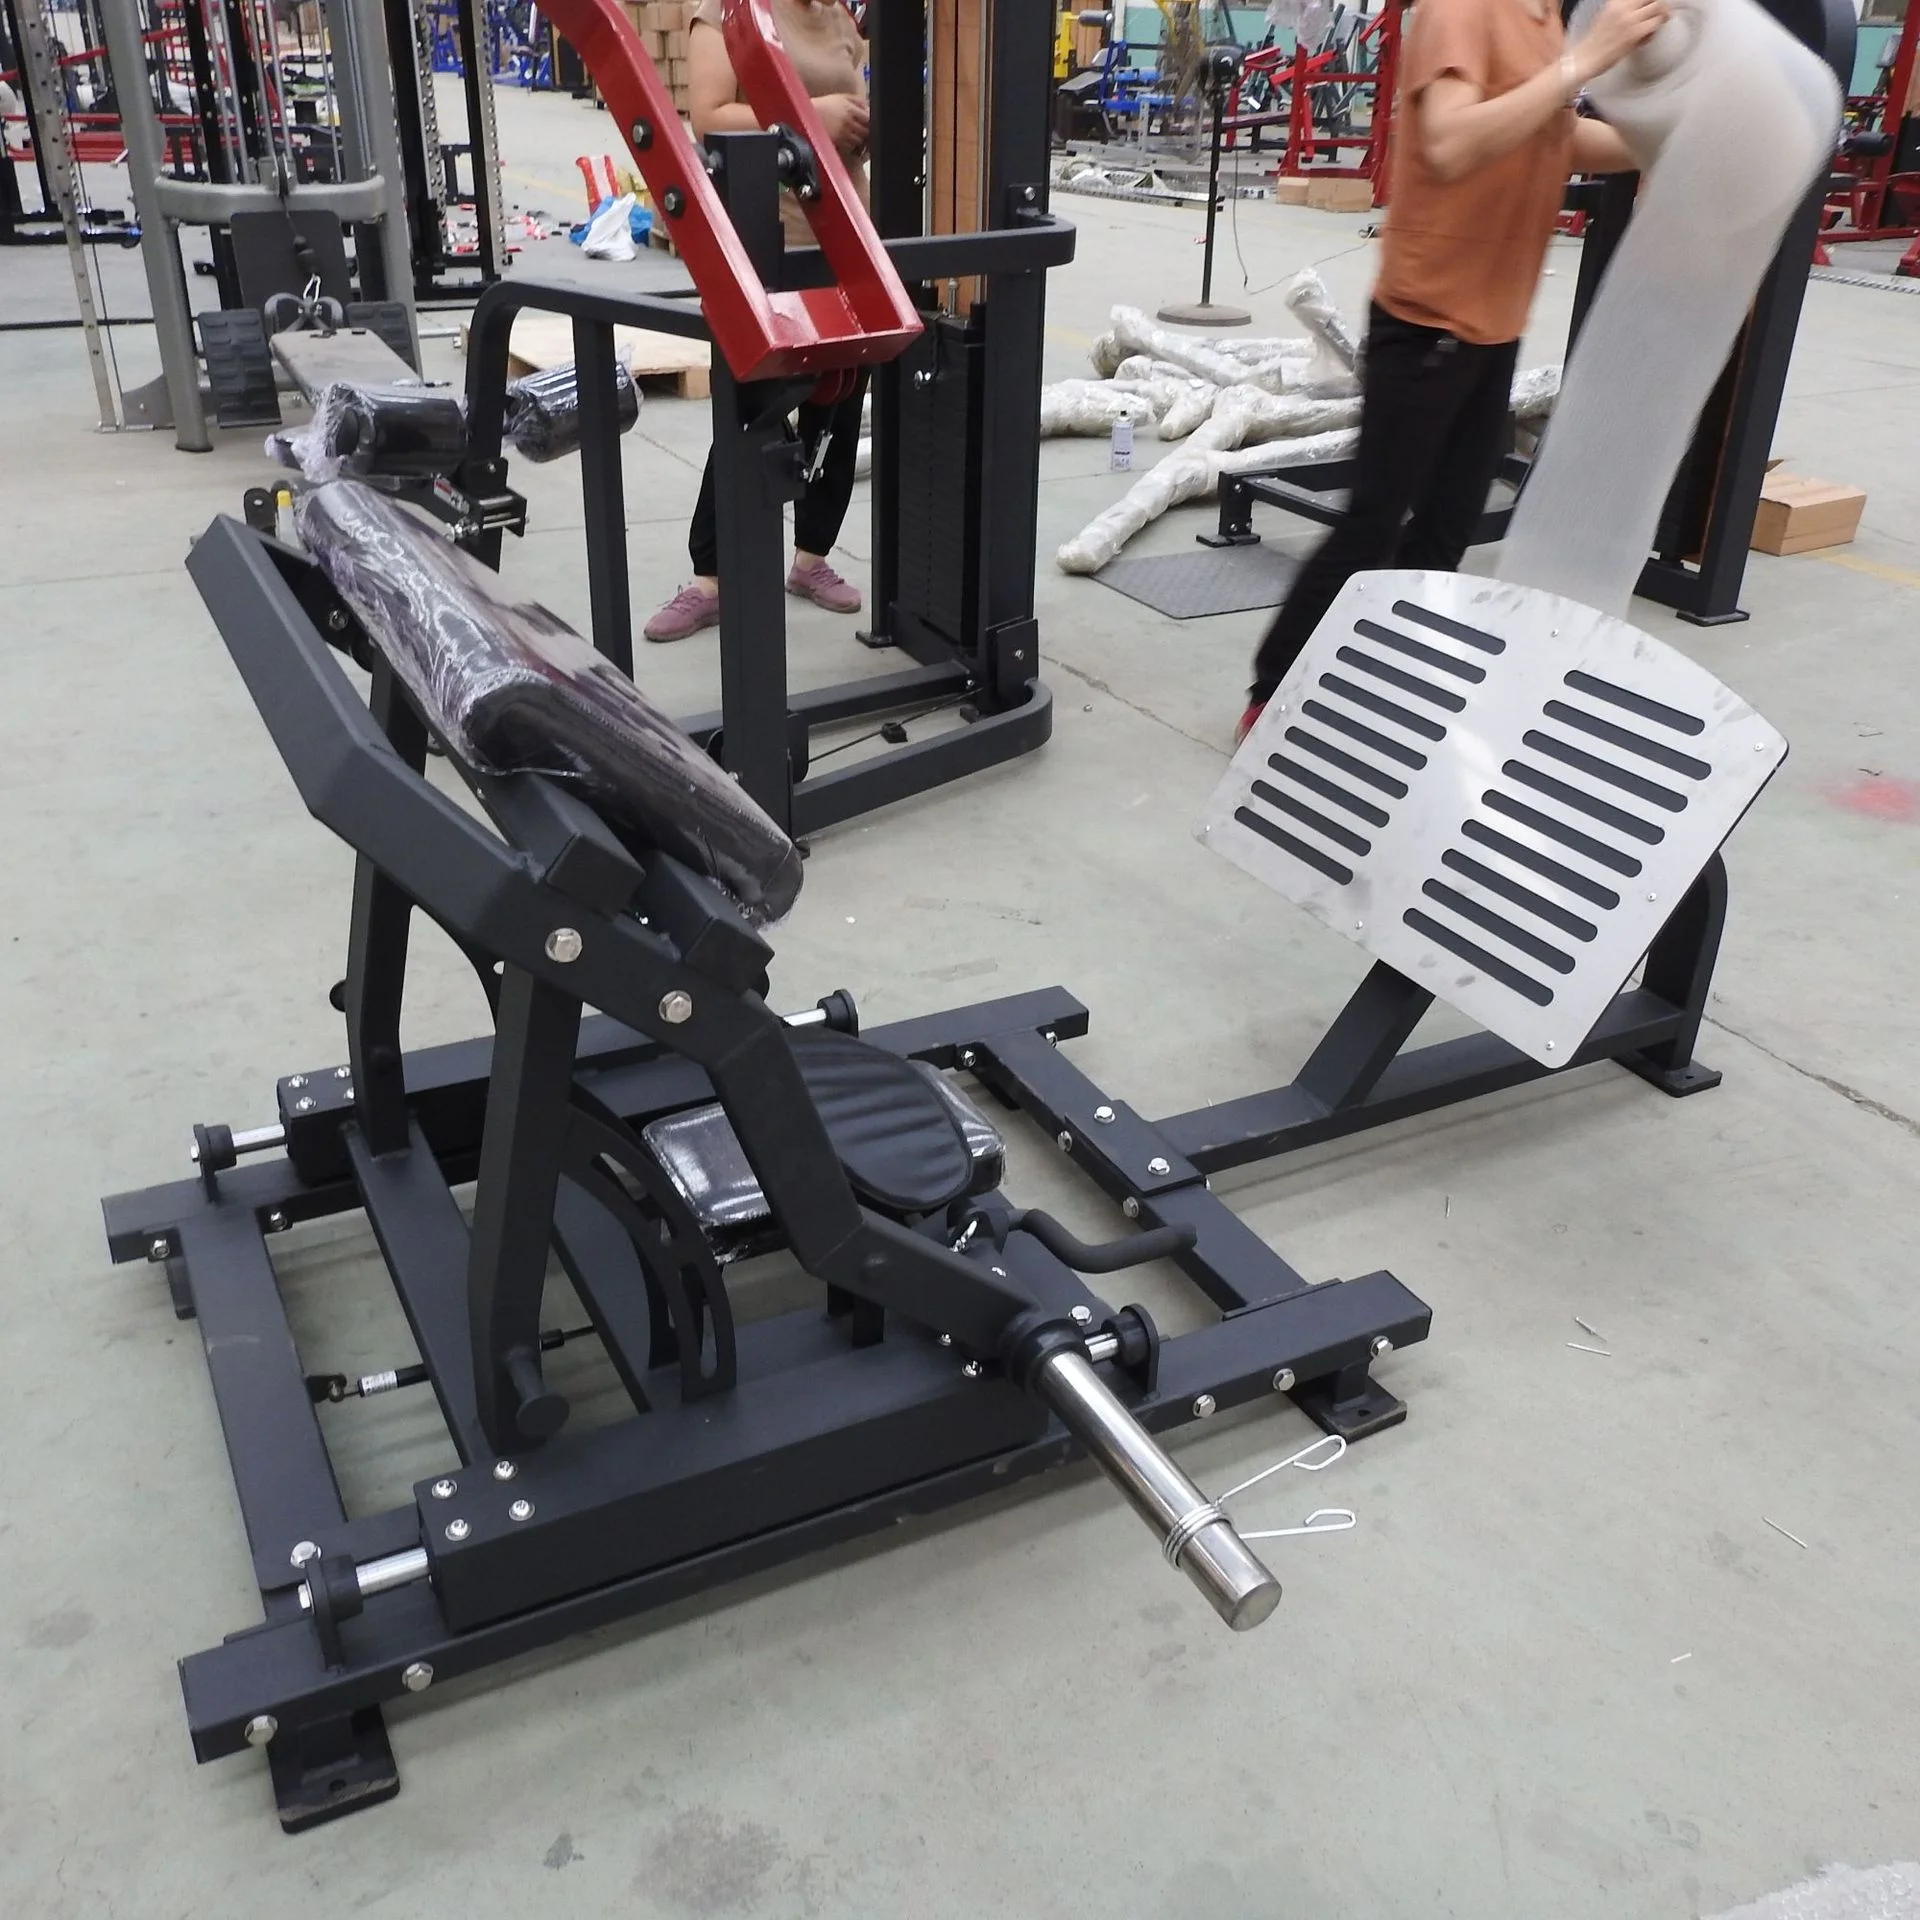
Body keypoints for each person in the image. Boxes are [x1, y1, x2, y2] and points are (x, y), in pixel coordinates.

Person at [1236, 0, 1670, 741]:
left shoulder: (1541, 24)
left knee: (1446, 530)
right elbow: (1448, 141)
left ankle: (1378, 675)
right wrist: (1586, 62)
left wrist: (1669, 139)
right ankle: (1272, 696)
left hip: (1495, 326)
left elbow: (1553, 135)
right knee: (1374, 523)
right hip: (1427, 320)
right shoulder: (1465, 7)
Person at [644, 0, 874, 643]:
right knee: (751, 409)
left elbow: (850, 116)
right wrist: (812, 120)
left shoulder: (838, 19)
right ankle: (710, 579)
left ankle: (812, 559)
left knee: (837, 404)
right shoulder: (725, 11)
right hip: (764, 246)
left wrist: (863, 125)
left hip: (843, 241)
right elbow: (711, 117)